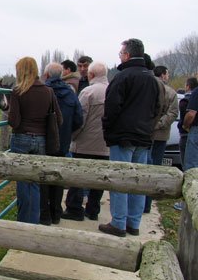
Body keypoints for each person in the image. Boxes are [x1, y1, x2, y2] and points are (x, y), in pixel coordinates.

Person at [99, 38, 160, 237]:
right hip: (143, 137)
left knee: (120, 180)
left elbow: (112, 107)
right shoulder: (152, 79)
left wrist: (108, 130)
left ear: (127, 55)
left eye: (120, 53)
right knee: (137, 181)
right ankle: (134, 222)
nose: (119, 56)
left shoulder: (123, 77)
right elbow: (157, 109)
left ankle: (118, 222)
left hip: (123, 137)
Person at [8, 57, 63, 224]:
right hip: (41, 141)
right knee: (36, 183)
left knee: (23, 184)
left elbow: (14, 122)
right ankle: (34, 221)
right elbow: (59, 120)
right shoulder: (48, 92)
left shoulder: (18, 92)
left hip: (21, 139)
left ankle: (23, 221)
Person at [62, 62, 109, 221]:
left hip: (85, 143)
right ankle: (93, 210)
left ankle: (74, 209)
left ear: (91, 75)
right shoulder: (113, 90)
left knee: (78, 177)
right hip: (105, 144)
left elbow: (79, 117)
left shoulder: (88, 92)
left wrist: (73, 136)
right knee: (99, 179)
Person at [40, 63, 83, 225]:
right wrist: (67, 133)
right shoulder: (70, 94)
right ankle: (56, 213)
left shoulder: (44, 92)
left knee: (43, 176)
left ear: (47, 76)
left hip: (44, 141)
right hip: (62, 142)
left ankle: (44, 215)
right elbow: (79, 119)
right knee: (58, 177)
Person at [144, 66, 178, 213]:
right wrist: (160, 124)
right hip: (161, 134)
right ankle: (148, 202)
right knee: (156, 168)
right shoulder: (171, 92)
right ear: (163, 75)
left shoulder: (148, 88)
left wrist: (151, 125)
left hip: (147, 132)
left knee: (145, 166)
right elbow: (173, 113)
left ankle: (142, 200)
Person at [174, 77, 198, 210]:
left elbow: (191, 113)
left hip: (196, 131)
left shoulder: (196, 93)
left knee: (191, 168)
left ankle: (188, 202)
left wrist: (185, 125)